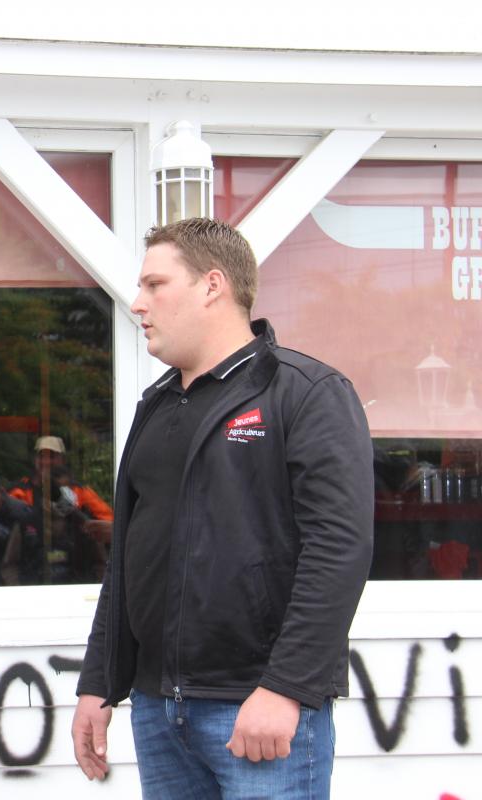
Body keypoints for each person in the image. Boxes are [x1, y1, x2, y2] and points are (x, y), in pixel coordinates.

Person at [71, 218, 373, 799]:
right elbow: (129, 562)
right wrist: (99, 682)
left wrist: (286, 688)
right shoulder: (156, 407)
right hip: (159, 712)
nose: (137, 303)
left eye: (155, 285)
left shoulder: (305, 392)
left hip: (258, 711)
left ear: (213, 286)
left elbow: (339, 550)